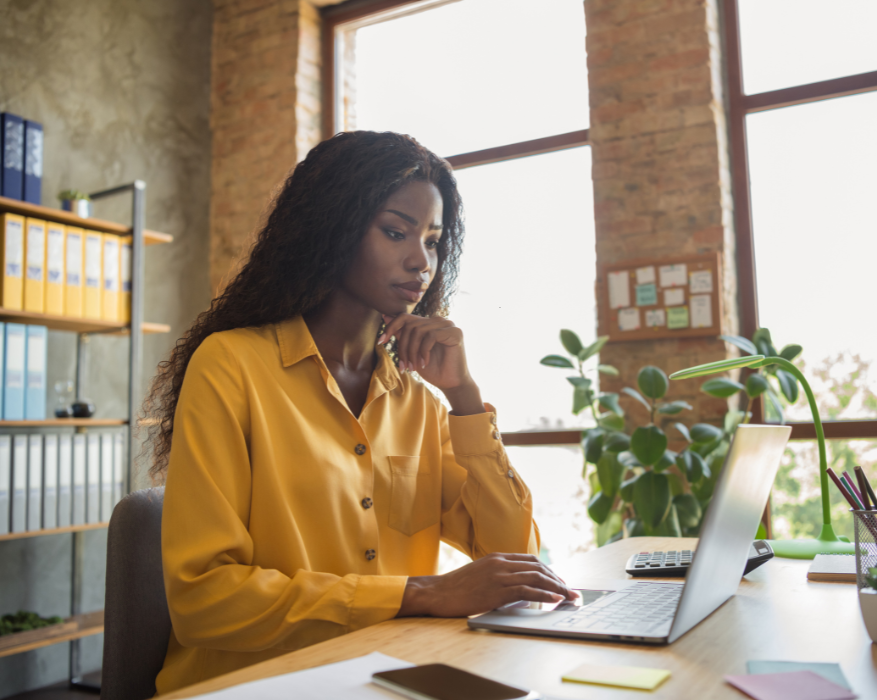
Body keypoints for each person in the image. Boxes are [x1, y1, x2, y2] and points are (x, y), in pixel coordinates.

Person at [145, 131, 578, 694]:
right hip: (252, 685)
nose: (421, 261)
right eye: (396, 232)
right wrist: (420, 594)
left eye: (434, 240)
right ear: (332, 227)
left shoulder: (418, 399)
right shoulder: (231, 366)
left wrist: (466, 398)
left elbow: (513, 559)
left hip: (382, 676)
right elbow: (205, 600)